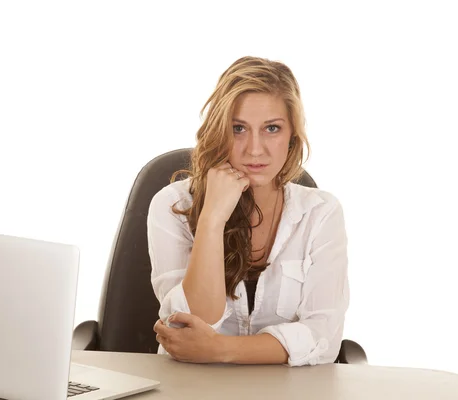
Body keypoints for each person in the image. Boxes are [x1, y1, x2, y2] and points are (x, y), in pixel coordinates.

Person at [148, 56, 349, 366]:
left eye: (272, 128)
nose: (255, 149)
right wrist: (212, 218)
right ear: (219, 131)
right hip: (191, 388)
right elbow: (187, 322)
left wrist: (219, 349)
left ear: (292, 134)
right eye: (238, 128)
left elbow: (322, 337)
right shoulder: (171, 205)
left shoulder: (321, 214)